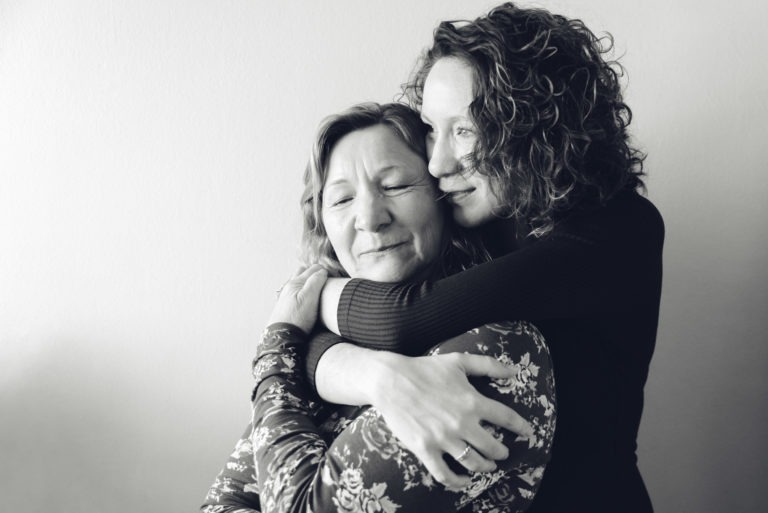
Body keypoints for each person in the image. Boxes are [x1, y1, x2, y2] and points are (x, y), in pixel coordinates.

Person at [310, 4, 664, 513]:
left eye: (465, 130)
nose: (437, 163)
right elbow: (329, 337)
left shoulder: (617, 232)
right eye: (433, 128)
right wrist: (371, 375)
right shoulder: (470, 218)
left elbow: (401, 316)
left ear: (535, 128)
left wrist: (310, 294)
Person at [201, 103, 556, 513]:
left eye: (395, 186)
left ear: (445, 199)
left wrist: (276, 349)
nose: (369, 218)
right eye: (342, 199)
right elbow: (225, 501)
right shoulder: (326, 344)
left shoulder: (497, 355)